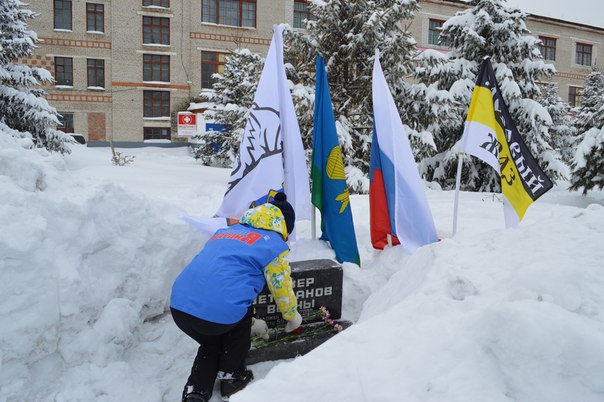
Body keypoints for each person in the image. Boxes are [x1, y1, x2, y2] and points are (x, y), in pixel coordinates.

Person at [170, 192, 303, 402]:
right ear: (284, 225)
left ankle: (196, 391)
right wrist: (292, 315)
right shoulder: (273, 245)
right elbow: (281, 287)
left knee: (212, 341)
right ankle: (233, 376)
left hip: (179, 308)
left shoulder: (226, 232)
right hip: (218, 314)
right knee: (239, 317)